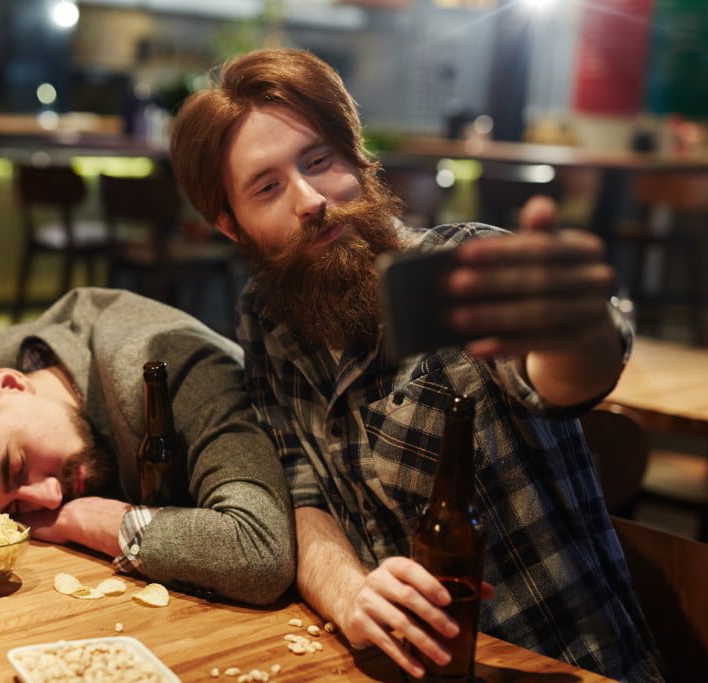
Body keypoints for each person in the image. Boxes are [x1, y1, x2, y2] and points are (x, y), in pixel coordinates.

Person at [169, 48, 663, 681]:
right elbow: (301, 490)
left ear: (357, 158)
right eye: (267, 187)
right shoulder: (265, 317)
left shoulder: (461, 265)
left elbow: (562, 378)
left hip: (560, 662)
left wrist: (578, 326)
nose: (311, 198)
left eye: (320, 160)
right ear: (232, 226)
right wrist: (349, 594)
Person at [0, 287, 295, 606]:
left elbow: (262, 551)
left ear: (9, 383)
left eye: (19, 466)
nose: (51, 498)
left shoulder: (162, 363)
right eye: (16, 509)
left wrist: (90, 521)